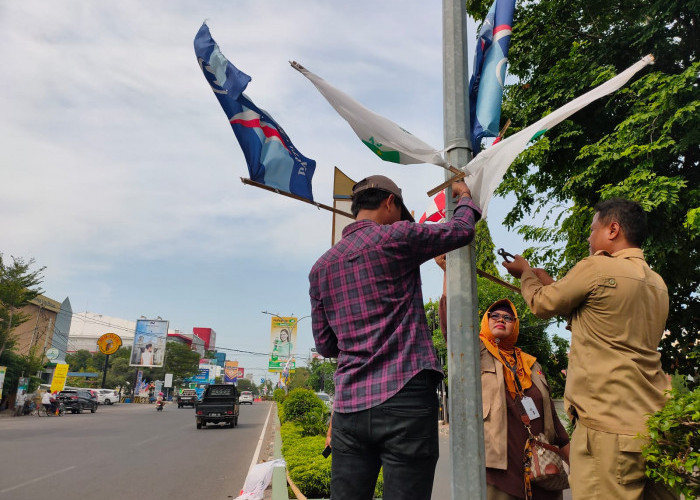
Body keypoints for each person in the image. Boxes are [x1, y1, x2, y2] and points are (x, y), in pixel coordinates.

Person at [309, 175, 480, 500]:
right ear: (390, 203)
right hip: (406, 399)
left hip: (350, 408)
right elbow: (460, 231)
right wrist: (465, 196)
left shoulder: (320, 269)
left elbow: (325, 345)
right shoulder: (397, 237)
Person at [502, 198, 675, 500]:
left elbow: (542, 304)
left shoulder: (596, 267)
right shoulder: (657, 284)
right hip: (656, 426)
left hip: (608, 429)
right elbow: (603, 321)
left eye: (592, 230)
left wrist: (526, 273)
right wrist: (554, 284)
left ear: (613, 229)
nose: (588, 238)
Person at [478, 299, 570, 500]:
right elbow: (452, 330)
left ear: (515, 324)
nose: (501, 319)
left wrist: (581, 470)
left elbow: (554, 422)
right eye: (494, 315)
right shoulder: (476, 354)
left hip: (544, 470)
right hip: (500, 475)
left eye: (508, 317)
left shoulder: (532, 365)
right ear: (486, 320)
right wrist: (448, 274)